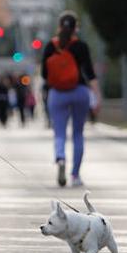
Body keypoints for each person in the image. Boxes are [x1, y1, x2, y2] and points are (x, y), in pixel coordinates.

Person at [41, 11, 99, 187]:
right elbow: (90, 73)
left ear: (59, 27)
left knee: (59, 133)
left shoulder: (51, 46)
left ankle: (60, 158)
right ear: (76, 28)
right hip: (80, 91)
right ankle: (75, 175)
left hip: (57, 94)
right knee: (77, 133)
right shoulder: (81, 46)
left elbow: (44, 74)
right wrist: (97, 96)